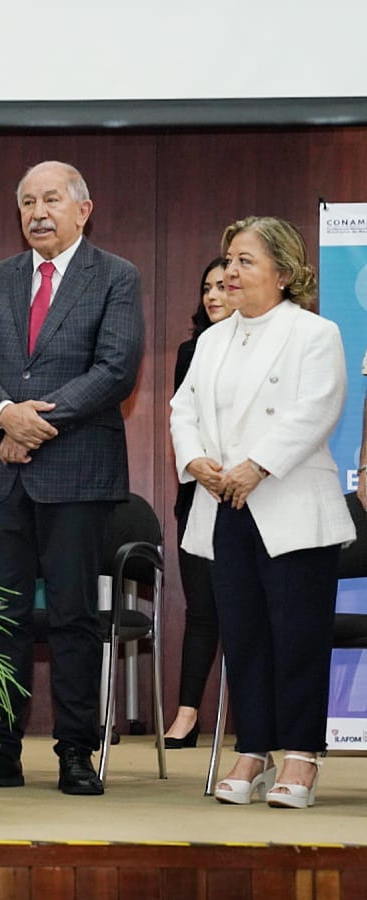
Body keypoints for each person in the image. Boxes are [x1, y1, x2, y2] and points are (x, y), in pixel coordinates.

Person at [0, 160, 144, 796]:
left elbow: (116, 369)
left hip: (77, 471)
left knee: (72, 617)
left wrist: (34, 423)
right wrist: (6, 416)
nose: (38, 212)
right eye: (28, 201)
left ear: (83, 209)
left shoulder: (116, 277)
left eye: (52, 200)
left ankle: (73, 752)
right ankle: (0, 747)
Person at [170, 216, 353, 808]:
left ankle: (300, 757)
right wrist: (196, 460)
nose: (229, 272)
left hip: (291, 503)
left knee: (297, 634)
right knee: (244, 634)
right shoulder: (211, 340)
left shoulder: (314, 332)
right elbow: (184, 409)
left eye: (245, 260)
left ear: (283, 271)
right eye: (227, 260)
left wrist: (257, 465)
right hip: (224, 501)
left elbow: (316, 409)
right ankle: (253, 750)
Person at [163, 259, 234, 748]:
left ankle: (256, 721)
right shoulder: (192, 351)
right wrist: (202, 466)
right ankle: (187, 716)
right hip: (200, 494)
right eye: (205, 287)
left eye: (222, 286)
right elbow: (183, 417)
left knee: (252, 613)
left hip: (256, 489)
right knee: (202, 611)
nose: (212, 296)